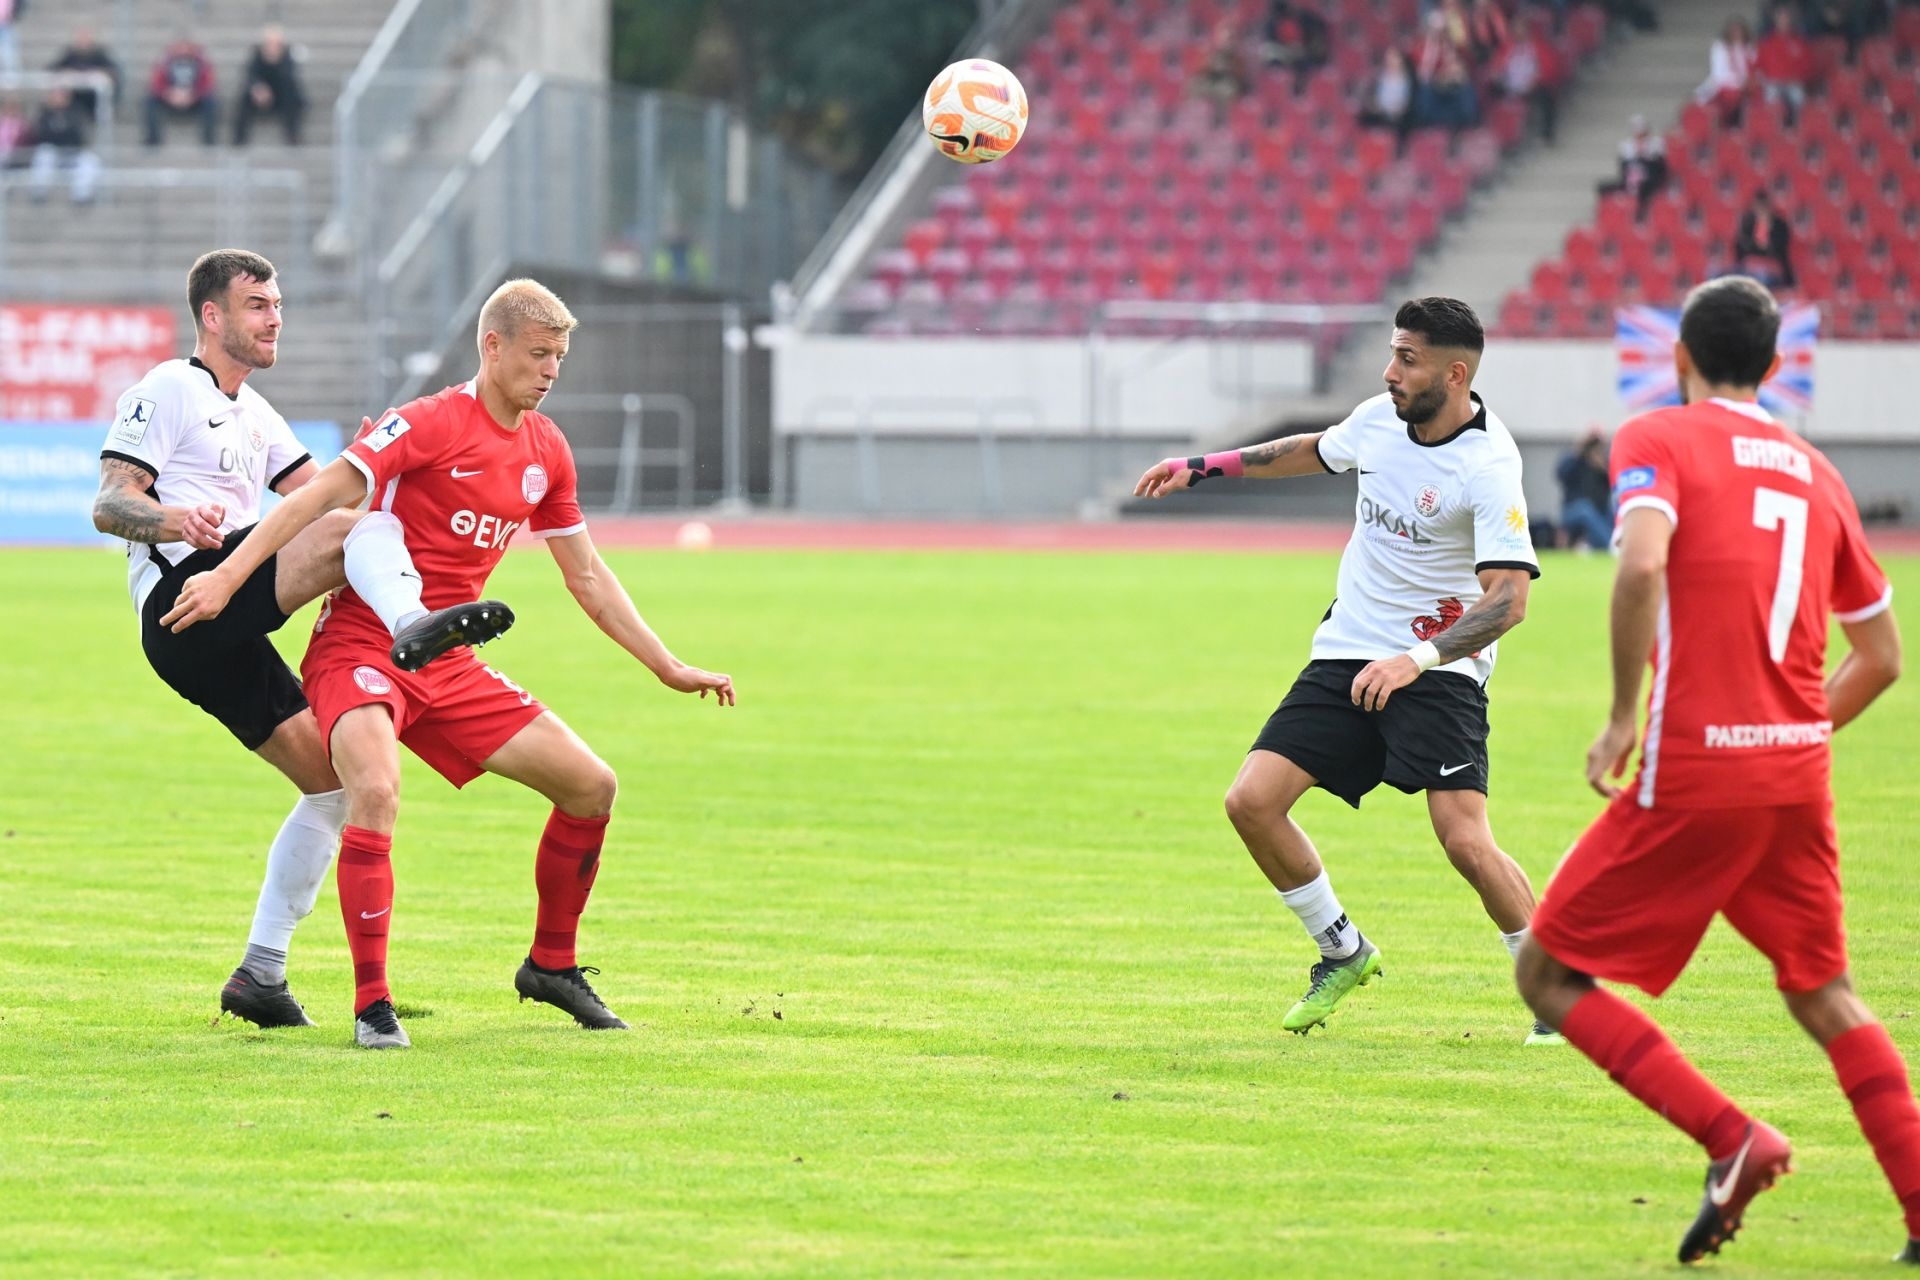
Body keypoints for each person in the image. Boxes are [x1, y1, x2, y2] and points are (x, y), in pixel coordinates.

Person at [161, 278, 737, 1051]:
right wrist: (230, 578)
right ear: (492, 347)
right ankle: (373, 1006)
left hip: (448, 662)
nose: (551, 370)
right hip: (361, 644)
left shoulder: (546, 451)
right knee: (374, 790)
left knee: (592, 786)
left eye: (560, 357)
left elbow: (589, 577)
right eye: (539, 354)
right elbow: (316, 499)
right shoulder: (430, 421)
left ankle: (551, 966)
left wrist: (667, 666)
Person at [1516, 275, 1920, 1266]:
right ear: (1775, 367)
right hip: (1795, 777)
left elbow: (1641, 563)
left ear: (1679, 359)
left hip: (1695, 768)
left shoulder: (1656, 436)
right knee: (1826, 992)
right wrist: (1790, 730)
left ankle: (1733, 1137)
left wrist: (1622, 717)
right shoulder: (1819, 472)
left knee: (1546, 971)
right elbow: (1881, 656)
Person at [92, 249, 500, 1029]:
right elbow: (110, 504)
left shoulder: (258, 413)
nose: (275, 318)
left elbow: (326, 494)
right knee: (351, 534)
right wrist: (176, 520)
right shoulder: (167, 388)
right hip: (186, 601)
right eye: (257, 305)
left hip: (229, 619)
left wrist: (388, 460)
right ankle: (411, 628)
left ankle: (261, 975)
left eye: (278, 304)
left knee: (335, 785)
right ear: (212, 315)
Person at [1133, 298, 1554, 1043]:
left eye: (1407, 360)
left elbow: (1508, 601)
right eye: (1392, 353)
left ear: (1455, 375)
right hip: (1347, 649)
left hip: (1437, 666)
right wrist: (1202, 467)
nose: (1390, 372)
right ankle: (1343, 949)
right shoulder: (1379, 419)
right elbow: (1313, 450)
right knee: (1251, 802)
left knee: (1464, 839)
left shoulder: (1488, 466)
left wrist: (1415, 661)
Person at [1489, 8, 1564, 144]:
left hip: (1532, 85)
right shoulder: (1507, 46)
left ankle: (1547, 135)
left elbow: (1550, 68)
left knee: (1548, 97)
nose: (1518, 31)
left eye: (1521, 28)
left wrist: (1535, 80)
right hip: (1508, 85)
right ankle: (1499, 135)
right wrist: (1497, 75)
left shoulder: (1538, 45)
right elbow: (1496, 66)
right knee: (1491, 89)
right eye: (1515, 28)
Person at [232, 26, 305, 146]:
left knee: (291, 98)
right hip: (260, 97)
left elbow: (290, 80)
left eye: (275, 44)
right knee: (244, 100)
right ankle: (239, 141)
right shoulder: (257, 57)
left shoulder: (287, 58)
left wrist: (276, 61)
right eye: (269, 43)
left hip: (281, 98)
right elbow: (250, 76)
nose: (272, 47)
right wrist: (258, 89)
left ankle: (293, 138)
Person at [27, 86, 101, 205]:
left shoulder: (75, 113)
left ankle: (81, 196)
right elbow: (41, 136)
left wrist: (59, 134)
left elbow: (78, 136)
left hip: (72, 153)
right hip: (53, 153)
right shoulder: (45, 114)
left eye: (62, 95)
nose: (59, 98)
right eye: (56, 95)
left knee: (90, 160)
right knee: (43, 154)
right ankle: (39, 193)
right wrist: (60, 134)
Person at [144, 36, 218, 147]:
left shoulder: (202, 63)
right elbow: (155, 83)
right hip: (170, 98)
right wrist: (168, 94)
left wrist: (194, 95)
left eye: (187, 48)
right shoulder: (165, 63)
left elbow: (208, 83)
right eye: (180, 47)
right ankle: (153, 139)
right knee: (150, 101)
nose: (183, 51)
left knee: (211, 102)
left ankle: (208, 140)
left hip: (194, 99)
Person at [1597, 113, 1668, 221]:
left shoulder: (1656, 144)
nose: (1640, 136)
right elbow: (1623, 169)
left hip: (1650, 181)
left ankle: (1639, 216)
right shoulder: (1626, 146)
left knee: (1643, 188)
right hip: (1631, 181)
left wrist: (1645, 156)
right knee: (1603, 187)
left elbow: (1660, 168)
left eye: (1642, 133)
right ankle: (1605, 215)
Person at [49, 25, 122, 125]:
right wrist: (65, 72)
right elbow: (53, 68)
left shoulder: (99, 54)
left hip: (93, 98)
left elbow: (112, 70)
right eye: (81, 37)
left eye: (86, 37)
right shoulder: (70, 54)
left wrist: (98, 72)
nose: (83, 40)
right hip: (75, 98)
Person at [1553, 428, 1612, 550]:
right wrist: (1578, 451)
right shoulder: (1575, 462)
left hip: (1600, 511)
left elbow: (1616, 484)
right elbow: (1560, 474)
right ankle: (1610, 546)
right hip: (1573, 511)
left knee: (1613, 511)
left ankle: (1596, 545)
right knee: (1585, 509)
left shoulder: (1604, 465)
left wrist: (1603, 468)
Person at [1755, 4, 1811, 126]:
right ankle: (1776, 129)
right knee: (1772, 97)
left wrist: (1797, 77)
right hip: (1773, 81)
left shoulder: (1799, 42)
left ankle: (1797, 129)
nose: (1784, 21)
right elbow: (1759, 65)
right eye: (1781, 19)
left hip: (1793, 82)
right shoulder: (1767, 42)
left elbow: (1807, 65)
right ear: (1776, 21)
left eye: (1786, 18)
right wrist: (1766, 79)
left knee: (1799, 97)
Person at [1694, 16, 1753, 125]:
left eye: (1739, 31)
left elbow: (1752, 69)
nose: (1737, 34)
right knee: (1700, 101)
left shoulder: (1749, 49)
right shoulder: (1720, 47)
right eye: (1734, 31)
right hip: (1723, 85)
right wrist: (1740, 81)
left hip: (1744, 87)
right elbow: (1719, 74)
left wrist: (1747, 81)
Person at [1356, 47, 1416, 151]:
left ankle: (1398, 148)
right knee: (1363, 117)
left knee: (1404, 120)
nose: (1391, 62)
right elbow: (1377, 97)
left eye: (1394, 59)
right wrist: (1375, 105)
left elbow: (1406, 102)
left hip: (1399, 113)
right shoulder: (1382, 76)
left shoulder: (1407, 79)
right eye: (1389, 59)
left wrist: (1395, 108)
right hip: (1382, 111)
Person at [1734, 187, 1795, 287]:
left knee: (1763, 278)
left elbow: (1781, 248)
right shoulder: (1747, 224)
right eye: (1758, 207)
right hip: (1752, 265)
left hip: (1772, 266)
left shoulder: (1780, 225)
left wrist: (1769, 234)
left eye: (1763, 207)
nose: (1761, 210)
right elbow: (1742, 246)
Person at [1190, 21, 1248, 122]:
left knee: (1227, 89)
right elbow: (1201, 71)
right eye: (1224, 37)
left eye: (1230, 38)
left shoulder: (1239, 58)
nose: (1227, 41)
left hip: (1227, 85)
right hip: (1210, 82)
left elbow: (1239, 79)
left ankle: (1221, 118)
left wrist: (1227, 67)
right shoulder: (1209, 52)